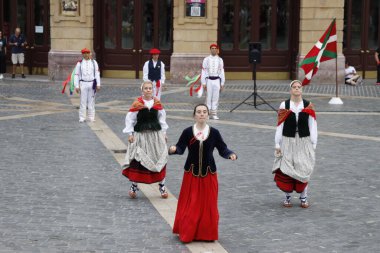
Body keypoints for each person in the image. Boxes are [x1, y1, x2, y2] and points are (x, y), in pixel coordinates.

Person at [169, 104, 237, 243]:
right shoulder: (188, 132)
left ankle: (206, 234)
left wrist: (230, 154)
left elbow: (222, 148)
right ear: (194, 115)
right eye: (199, 112)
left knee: (208, 204)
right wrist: (173, 149)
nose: (201, 114)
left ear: (208, 115)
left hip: (209, 173)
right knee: (191, 203)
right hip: (191, 174)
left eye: (204, 112)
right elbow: (181, 147)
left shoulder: (214, 132)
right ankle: (188, 232)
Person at [272, 80, 317, 209]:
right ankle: (287, 197)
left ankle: (304, 197)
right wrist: (277, 143)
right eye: (294, 87)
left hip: (304, 141)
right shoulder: (284, 105)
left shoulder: (308, 105)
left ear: (302, 89)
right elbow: (280, 125)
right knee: (287, 169)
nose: (297, 89)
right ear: (290, 90)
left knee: (304, 168)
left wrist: (313, 144)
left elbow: (313, 125)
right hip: (288, 140)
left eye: (299, 87)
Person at [122, 81, 169, 199]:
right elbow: (130, 119)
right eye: (146, 88)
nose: (148, 90)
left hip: (155, 136)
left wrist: (164, 133)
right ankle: (134, 185)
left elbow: (162, 119)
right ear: (142, 90)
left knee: (159, 159)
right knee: (138, 160)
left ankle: (162, 186)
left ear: (153, 90)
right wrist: (130, 133)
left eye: (150, 88)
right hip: (141, 136)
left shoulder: (157, 103)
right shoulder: (137, 104)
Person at [74, 48, 101, 123]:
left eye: (87, 53)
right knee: (83, 101)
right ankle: (82, 117)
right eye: (84, 53)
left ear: (89, 54)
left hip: (92, 83)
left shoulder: (94, 62)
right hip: (83, 83)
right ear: (82, 54)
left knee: (91, 101)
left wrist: (98, 84)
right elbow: (76, 75)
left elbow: (97, 74)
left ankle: (91, 117)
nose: (86, 55)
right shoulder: (79, 63)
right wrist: (77, 86)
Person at [201, 44, 225, 120]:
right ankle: (207, 114)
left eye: (215, 48)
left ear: (217, 50)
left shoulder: (220, 60)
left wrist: (222, 83)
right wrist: (203, 83)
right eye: (212, 48)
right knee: (208, 97)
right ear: (210, 49)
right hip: (209, 80)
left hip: (217, 80)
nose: (213, 49)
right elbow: (203, 71)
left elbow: (222, 72)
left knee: (215, 98)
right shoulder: (206, 59)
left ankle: (214, 114)